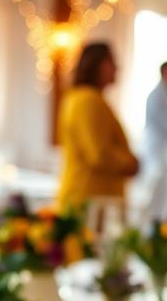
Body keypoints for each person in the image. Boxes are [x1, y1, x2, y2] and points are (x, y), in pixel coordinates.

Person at [57, 42, 139, 211]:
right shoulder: (87, 99)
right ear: (95, 65)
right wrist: (130, 163)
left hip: (92, 199)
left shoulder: (81, 97)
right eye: (111, 61)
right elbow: (99, 154)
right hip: (90, 201)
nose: (116, 67)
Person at [142, 61, 167, 220]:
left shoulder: (164, 96)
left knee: (161, 197)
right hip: (155, 154)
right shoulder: (156, 97)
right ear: (165, 71)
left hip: (162, 153)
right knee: (154, 198)